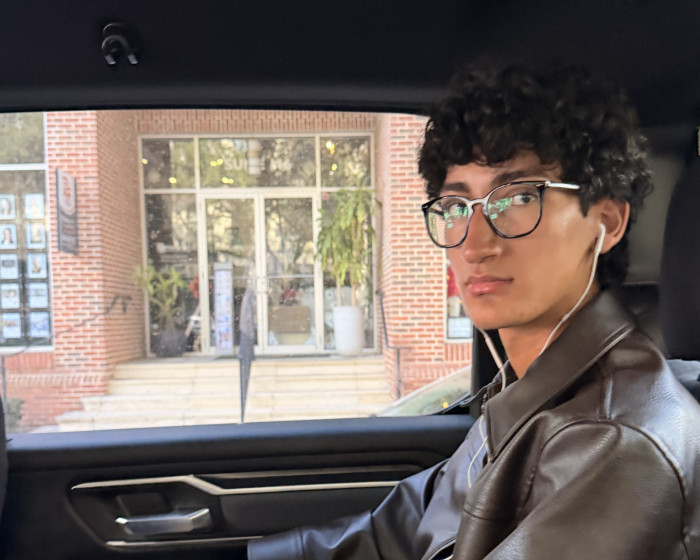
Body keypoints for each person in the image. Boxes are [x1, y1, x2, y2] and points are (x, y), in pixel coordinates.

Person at [248, 65, 700, 559]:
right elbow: (397, 529)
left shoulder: (617, 444)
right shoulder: (529, 392)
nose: (474, 244)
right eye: (456, 207)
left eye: (518, 198)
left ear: (607, 222)